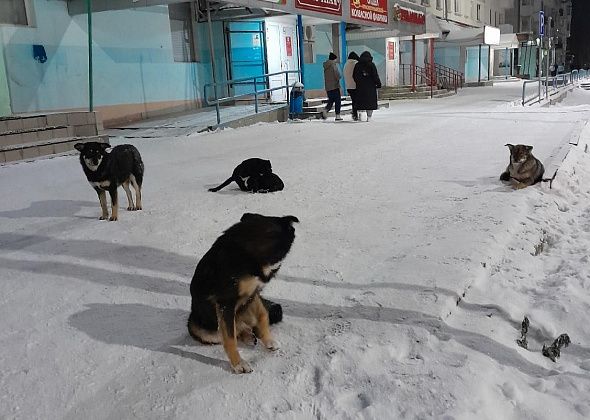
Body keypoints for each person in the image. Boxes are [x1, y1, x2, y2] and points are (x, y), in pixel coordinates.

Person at [353, 51, 382, 122]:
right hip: (370, 87)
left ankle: (360, 115)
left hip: (360, 87)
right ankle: (369, 117)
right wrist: (378, 84)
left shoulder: (357, 65)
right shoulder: (371, 65)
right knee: (370, 102)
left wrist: (358, 82)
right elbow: (375, 75)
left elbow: (354, 76)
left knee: (360, 102)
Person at [322, 52, 342, 121]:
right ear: (334, 59)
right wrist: (339, 77)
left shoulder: (326, 66)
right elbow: (337, 75)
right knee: (337, 101)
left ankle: (326, 110)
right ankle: (337, 116)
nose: (336, 61)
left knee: (331, 100)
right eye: (336, 59)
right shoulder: (333, 65)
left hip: (328, 87)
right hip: (335, 86)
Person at [343, 51, 360, 121]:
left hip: (348, 86)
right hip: (355, 85)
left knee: (354, 100)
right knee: (356, 100)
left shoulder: (346, 64)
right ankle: (355, 113)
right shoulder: (356, 64)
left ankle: (355, 113)